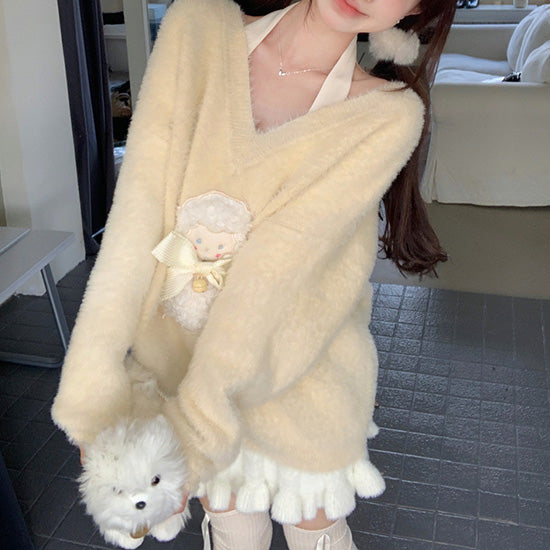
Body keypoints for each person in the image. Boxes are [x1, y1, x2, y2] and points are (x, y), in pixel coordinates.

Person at [52, 0, 457, 548]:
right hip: (181, 366)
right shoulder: (197, 25)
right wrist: (89, 389)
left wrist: (197, 430)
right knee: (234, 531)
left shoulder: (386, 114)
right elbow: (137, 212)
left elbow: (278, 270)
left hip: (303, 371)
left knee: (317, 531)